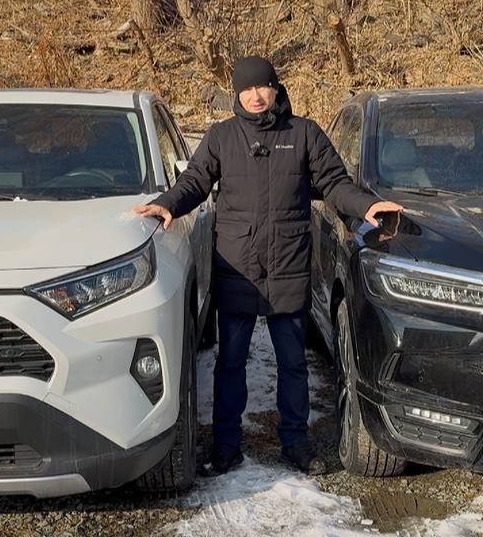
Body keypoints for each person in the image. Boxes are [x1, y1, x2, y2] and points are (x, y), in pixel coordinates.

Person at [133, 56, 403, 476]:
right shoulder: (222, 136)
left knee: (293, 363)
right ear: (236, 94)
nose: (255, 96)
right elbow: (195, 181)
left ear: (276, 89)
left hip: (288, 263)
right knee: (230, 363)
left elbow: (334, 183)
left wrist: (367, 206)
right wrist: (167, 204)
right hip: (237, 266)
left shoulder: (304, 133)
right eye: (246, 89)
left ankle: (295, 442)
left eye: (262, 87)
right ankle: (226, 445)